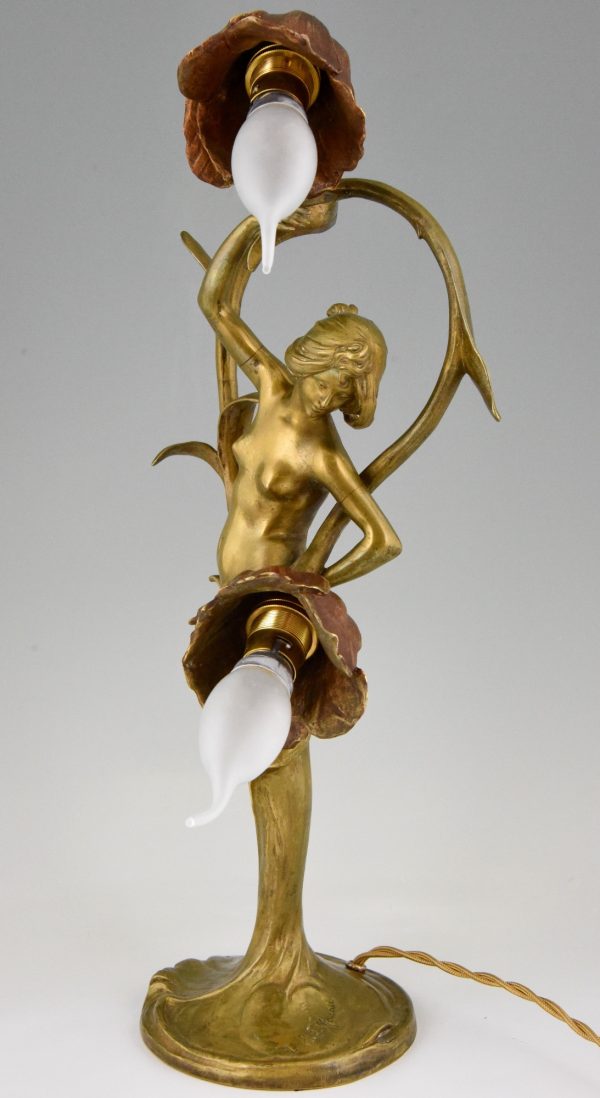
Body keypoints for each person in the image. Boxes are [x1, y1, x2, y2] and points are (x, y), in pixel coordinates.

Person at [199, 259, 401, 587]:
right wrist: (251, 232)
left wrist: (313, 582)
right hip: (228, 589)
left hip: (271, 596)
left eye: (341, 396)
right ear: (309, 365)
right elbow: (213, 306)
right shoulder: (271, 386)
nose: (325, 401)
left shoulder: (323, 454)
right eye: (322, 385)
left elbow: (384, 542)